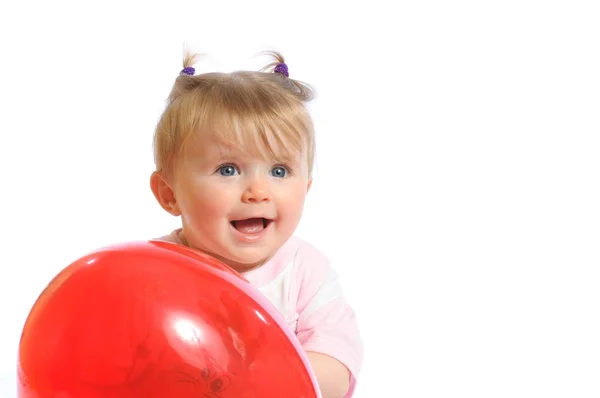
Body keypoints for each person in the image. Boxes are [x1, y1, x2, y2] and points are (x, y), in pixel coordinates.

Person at [149, 49, 363, 398]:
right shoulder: (157, 269)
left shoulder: (305, 272)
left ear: (306, 187)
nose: (258, 191)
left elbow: (337, 361)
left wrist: (260, 380)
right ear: (169, 194)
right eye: (227, 169)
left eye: (279, 171)